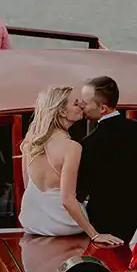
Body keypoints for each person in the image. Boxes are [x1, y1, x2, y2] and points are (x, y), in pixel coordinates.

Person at [18, 85, 123, 245]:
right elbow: (67, 200)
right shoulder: (71, 148)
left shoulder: (30, 141)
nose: (81, 105)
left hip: (31, 223)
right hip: (64, 225)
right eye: (75, 103)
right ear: (61, 111)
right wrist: (95, 235)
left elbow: (27, 185)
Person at [70, 76, 137, 242]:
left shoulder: (88, 144)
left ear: (103, 108)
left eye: (85, 102)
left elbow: (81, 189)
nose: (81, 106)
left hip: (104, 224)